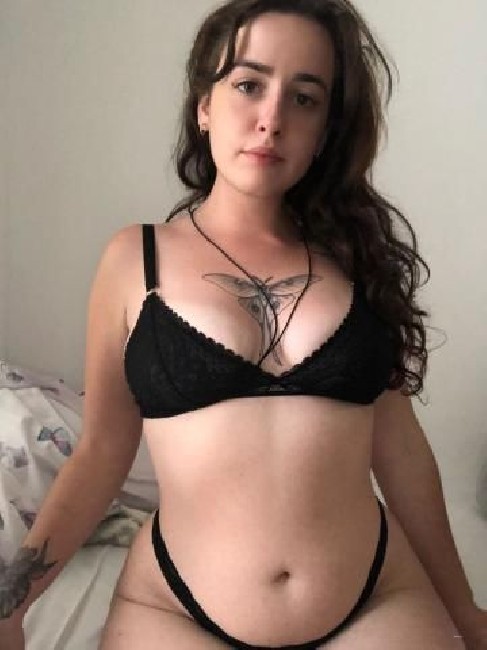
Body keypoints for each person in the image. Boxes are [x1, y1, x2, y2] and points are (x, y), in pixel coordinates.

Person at [1, 0, 486, 648]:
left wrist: (465, 611)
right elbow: (102, 453)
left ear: (325, 131)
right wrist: (12, 603)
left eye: (304, 99)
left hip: (373, 598)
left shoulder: (356, 261)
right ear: (204, 104)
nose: (271, 119)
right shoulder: (134, 259)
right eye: (249, 84)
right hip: (178, 609)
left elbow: (400, 451)